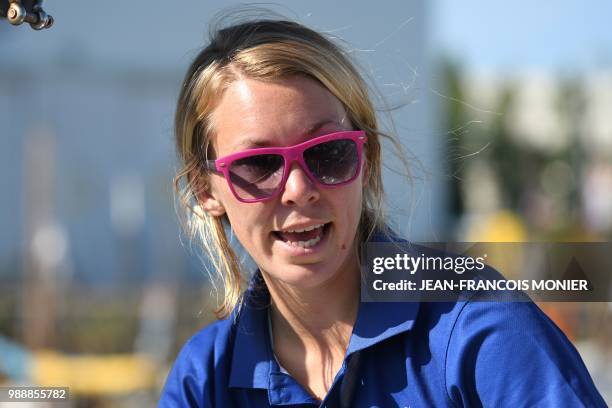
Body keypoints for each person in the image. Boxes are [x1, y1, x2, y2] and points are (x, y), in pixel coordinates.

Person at [159, 16, 606, 407]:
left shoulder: (478, 328)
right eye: (258, 164)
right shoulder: (205, 380)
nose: (298, 189)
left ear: (366, 158)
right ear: (205, 190)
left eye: (328, 153)